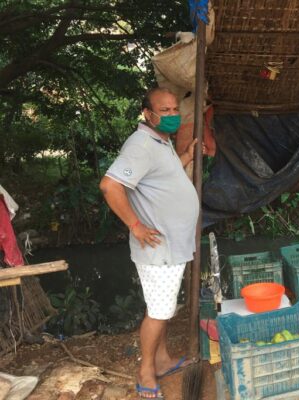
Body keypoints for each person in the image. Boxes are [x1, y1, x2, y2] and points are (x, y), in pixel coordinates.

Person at [99, 87, 199, 399]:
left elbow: (161, 177)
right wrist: (136, 225)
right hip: (158, 247)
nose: (171, 115)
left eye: (173, 110)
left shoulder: (161, 141)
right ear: (147, 114)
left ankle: (163, 359)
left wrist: (186, 157)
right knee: (158, 311)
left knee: (164, 307)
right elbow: (109, 185)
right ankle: (146, 370)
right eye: (163, 110)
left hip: (172, 245)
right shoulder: (141, 143)